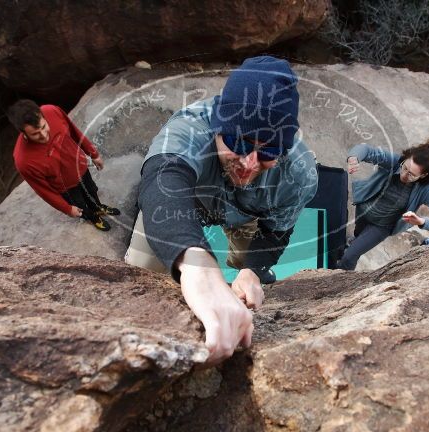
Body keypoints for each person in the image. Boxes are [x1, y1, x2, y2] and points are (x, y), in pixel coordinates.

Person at [125, 56, 318, 365]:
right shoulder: (190, 125)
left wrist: (252, 270)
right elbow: (163, 180)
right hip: (185, 207)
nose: (249, 163)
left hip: (245, 218)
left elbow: (276, 231)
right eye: (237, 141)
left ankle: (233, 272)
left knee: (245, 271)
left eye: (268, 151)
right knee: (141, 270)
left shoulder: (299, 172)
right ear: (217, 125)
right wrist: (196, 264)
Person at [337, 138, 429, 270]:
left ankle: (339, 277)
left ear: (423, 175)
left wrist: (422, 221)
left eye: (411, 175)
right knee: (358, 235)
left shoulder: (427, 188)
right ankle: (355, 242)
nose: (404, 175)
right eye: (405, 168)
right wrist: (354, 158)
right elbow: (367, 150)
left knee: (349, 257)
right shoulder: (396, 161)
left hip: (382, 227)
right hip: (364, 210)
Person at [7, 99, 120, 231]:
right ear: (23, 133)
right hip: (66, 187)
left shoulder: (52, 111)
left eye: (43, 127)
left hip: (80, 168)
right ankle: (94, 218)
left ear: (43, 115)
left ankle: (98, 208)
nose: (43, 135)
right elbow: (44, 191)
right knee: (81, 205)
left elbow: (75, 132)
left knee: (92, 190)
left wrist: (93, 153)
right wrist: (66, 208)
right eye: (35, 134)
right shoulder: (23, 161)